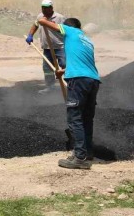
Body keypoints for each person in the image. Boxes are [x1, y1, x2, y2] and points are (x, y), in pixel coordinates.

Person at [36, 16, 99, 170]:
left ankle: (79, 158)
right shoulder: (87, 40)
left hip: (78, 81)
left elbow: (44, 23)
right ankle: (87, 152)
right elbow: (82, 62)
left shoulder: (70, 31)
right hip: (93, 80)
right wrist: (63, 71)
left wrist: (42, 19)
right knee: (86, 119)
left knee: (74, 118)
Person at [25, 0, 65, 94]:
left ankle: (71, 85)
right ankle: (50, 87)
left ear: (51, 8)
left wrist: (53, 26)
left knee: (65, 66)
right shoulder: (40, 16)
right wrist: (30, 35)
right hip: (47, 48)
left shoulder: (60, 17)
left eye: (46, 8)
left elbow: (66, 30)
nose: (44, 10)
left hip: (60, 47)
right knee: (47, 69)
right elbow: (35, 25)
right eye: (43, 8)